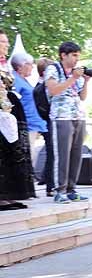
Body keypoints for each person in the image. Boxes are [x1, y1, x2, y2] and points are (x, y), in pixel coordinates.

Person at [44, 41, 90, 204]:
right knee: (62, 154)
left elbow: (82, 96)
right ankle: (59, 190)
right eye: (74, 55)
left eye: (78, 55)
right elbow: (53, 90)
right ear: (64, 55)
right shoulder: (53, 68)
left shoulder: (75, 73)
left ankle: (72, 189)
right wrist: (73, 77)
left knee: (76, 154)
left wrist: (85, 81)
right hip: (61, 116)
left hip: (78, 116)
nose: (77, 59)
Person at [0, 51, 35, 209]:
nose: (5, 46)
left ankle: (10, 194)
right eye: (2, 42)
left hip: (9, 111)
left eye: (6, 42)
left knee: (12, 154)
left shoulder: (5, 65)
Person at [10, 52, 46, 170]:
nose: (32, 67)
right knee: (27, 156)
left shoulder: (23, 80)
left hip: (33, 123)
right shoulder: (15, 80)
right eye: (30, 64)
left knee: (31, 156)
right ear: (21, 66)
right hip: (26, 124)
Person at [34, 58, 54, 195]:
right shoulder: (39, 89)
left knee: (52, 153)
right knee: (52, 153)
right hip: (47, 123)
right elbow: (43, 109)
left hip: (49, 122)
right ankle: (50, 184)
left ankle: (47, 179)